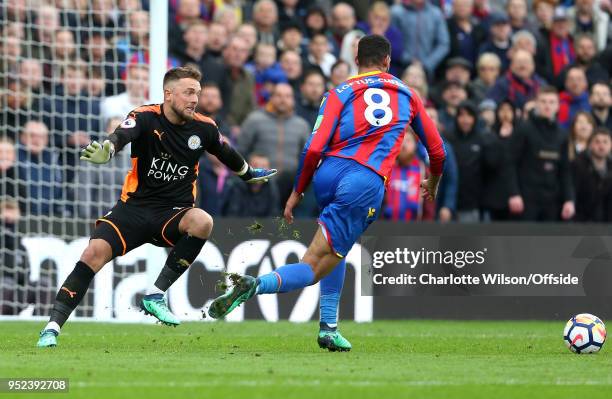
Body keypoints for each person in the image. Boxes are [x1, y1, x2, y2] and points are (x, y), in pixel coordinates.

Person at [207, 35, 446, 352]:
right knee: (313, 266)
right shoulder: (409, 95)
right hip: (364, 181)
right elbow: (438, 151)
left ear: (355, 58)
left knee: (338, 249)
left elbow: (314, 147)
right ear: (388, 61)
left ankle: (329, 328)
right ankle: (253, 286)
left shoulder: (340, 91)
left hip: (328, 175)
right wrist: (433, 181)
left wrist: (298, 191)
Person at [36, 66, 277, 348]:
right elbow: (121, 135)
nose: (195, 99)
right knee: (93, 253)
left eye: (197, 93)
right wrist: (109, 149)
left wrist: (249, 173)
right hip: (133, 209)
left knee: (203, 221)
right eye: (188, 92)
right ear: (169, 94)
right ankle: (52, 328)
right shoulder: (144, 116)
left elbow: (227, 153)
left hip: (173, 212)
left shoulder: (204, 127)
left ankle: (155, 294)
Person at [507, 86, 575, 221]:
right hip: (526, 199)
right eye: (543, 102)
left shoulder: (562, 134)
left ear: (557, 106)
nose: (547, 106)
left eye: (551, 102)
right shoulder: (524, 129)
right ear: (536, 104)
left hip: (552, 200)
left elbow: (565, 170)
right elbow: (509, 163)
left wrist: (569, 199)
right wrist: (514, 193)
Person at [572, 128, 612, 222]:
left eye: (605, 142)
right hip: (582, 221)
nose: (601, 146)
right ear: (590, 145)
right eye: (597, 142)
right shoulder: (578, 164)